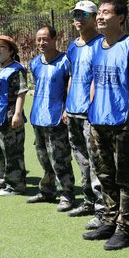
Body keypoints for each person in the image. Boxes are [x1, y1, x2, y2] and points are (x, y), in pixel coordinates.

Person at [83, 0, 129, 251]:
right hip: (98, 122)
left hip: (122, 123)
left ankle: (125, 228)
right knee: (105, 176)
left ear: (120, 17)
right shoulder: (97, 46)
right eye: (98, 13)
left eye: (106, 12)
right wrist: (91, 110)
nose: (99, 17)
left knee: (126, 178)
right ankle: (109, 220)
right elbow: (94, 82)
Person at [64, 0, 105, 224]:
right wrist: (66, 105)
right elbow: (71, 76)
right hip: (73, 111)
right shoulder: (72, 46)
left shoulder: (101, 44)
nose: (78, 19)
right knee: (81, 159)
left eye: (84, 15)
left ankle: (102, 208)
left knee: (97, 161)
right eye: (75, 14)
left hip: (92, 113)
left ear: (94, 17)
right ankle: (88, 200)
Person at [27, 26, 75, 211]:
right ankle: (47, 190)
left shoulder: (65, 61)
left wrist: (66, 109)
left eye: (45, 39)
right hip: (38, 117)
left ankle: (67, 194)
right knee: (43, 157)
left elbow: (70, 87)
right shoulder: (35, 63)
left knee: (60, 158)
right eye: (38, 39)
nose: (41, 43)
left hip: (57, 118)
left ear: (55, 40)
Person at [0, 35, 28, 196]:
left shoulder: (16, 69)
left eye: (2, 46)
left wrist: (17, 114)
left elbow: (21, 93)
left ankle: (16, 185)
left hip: (8, 118)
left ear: (11, 51)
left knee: (12, 153)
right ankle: (0, 181)